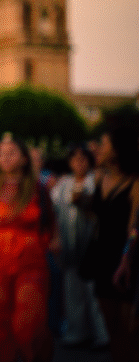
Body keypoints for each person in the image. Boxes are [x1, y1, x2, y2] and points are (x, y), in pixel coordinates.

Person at [0, 133, 58, 362]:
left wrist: (55, 241)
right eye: (1, 153)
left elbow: (50, 220)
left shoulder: (38, 187)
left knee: (29, 325)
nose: (5, 157)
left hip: (29, 262)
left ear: (24, 158)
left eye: (11, 152)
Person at [84, 125, 139, 362]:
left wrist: (126, 258)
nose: (97, 148)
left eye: (103, 143)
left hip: (125, 261)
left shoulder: (135, 183)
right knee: (112, 330)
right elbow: (97, 218)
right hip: (102, 257)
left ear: (118, 149)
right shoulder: (100, 177)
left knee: (130, 332)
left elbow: (134, 229)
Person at [50, 144, 109, 348]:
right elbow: (53, 210)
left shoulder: (96, 181)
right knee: (72, 290)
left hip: (90, 244)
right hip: (68, 244)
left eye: (83, 158)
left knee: (92, 291)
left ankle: (101, 334)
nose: (79, 162)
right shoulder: (63, 184)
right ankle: (77, 331)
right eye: (75, 159)